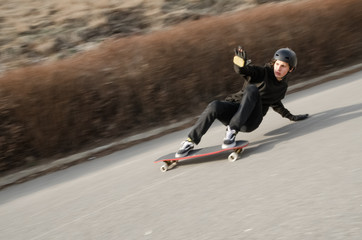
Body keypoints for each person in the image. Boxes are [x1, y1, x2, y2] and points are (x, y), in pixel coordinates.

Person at [175, 46, 309, 157]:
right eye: (277, 64)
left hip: (251, 121)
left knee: (252, 90)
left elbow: (276, 103)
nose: (278, 69)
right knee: (214, 105)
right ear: (273, 63)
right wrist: (240, 64)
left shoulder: (282, 87)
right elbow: (245, 70)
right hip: (236, 111)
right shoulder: (262, 72)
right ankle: (190, 141)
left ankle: (232, 131)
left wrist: (291, 117)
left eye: (283, 66)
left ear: (290, 69)